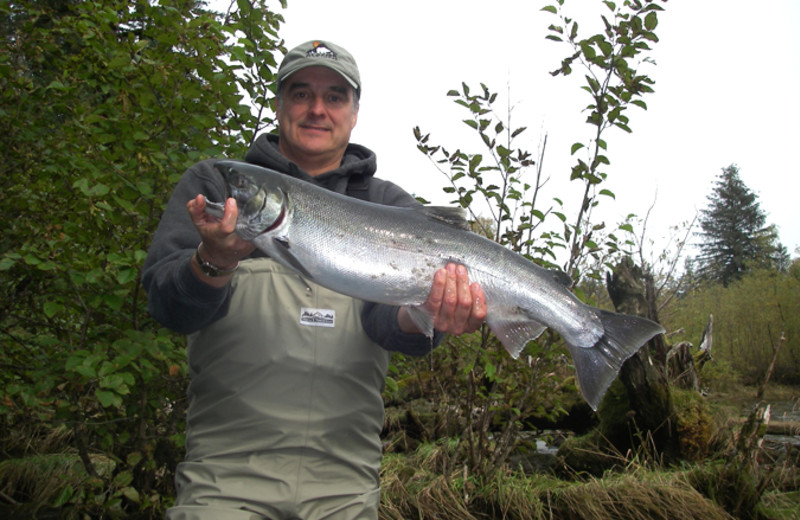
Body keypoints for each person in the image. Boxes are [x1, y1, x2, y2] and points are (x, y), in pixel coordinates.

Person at [142, 40, 486, 520]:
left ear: (355, 111)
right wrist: (214, 260)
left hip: (344, 485)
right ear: (279, 104)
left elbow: (389, 329)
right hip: (224, 480)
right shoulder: (220, 183)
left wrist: (430, 313)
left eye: (335, 97)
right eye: (301, 94)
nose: (317, 109)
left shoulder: (389, 205)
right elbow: (168, 307)